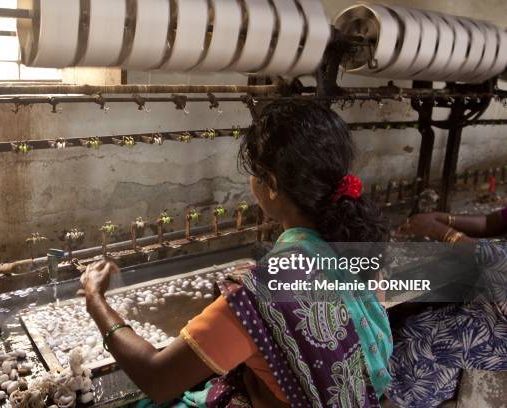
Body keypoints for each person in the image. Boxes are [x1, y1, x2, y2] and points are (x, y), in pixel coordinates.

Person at [80, 100, 393, 407]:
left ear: (270, 184)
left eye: (254, 174)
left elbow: (157, 377)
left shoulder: (256, 296)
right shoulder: (360, 253)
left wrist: (96, 300)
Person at [385, 208, 507, 407]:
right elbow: (490, 222)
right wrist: (443, 218)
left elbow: (498, 259)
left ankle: (398, 395)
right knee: (416, 325)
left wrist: (442, 232)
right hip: (484, 305)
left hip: (497, 329)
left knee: (422, 346)